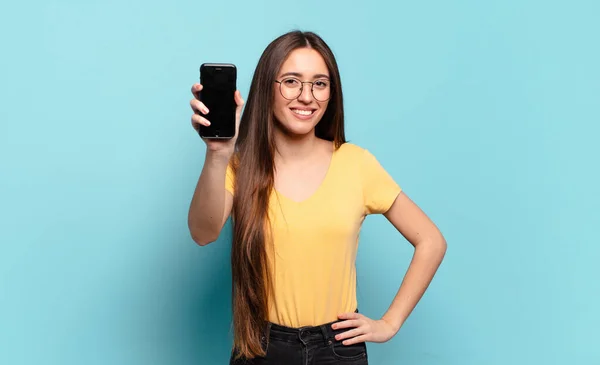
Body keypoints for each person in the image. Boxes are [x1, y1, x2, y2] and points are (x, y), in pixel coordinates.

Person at [187, 30, 447, 364]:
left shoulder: (356, 163)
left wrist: (389, 323)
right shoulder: (240, 166)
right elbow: (202, 233)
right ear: (267, 88)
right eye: (292, 81)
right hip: (261, 348)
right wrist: (218, 153)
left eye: (319, 83)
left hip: (337, 349)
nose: (307, 96)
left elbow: (431, 241)